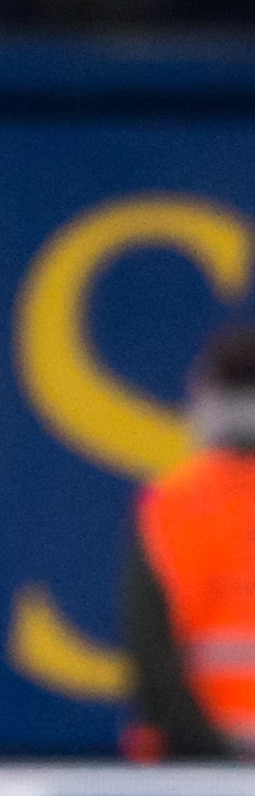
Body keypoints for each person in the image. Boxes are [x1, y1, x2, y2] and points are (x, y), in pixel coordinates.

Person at [122, 325, 255, 759]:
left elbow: (153, 663)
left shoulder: (168, 508)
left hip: (198, 774)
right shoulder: (168, 508)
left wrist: (216, 762)